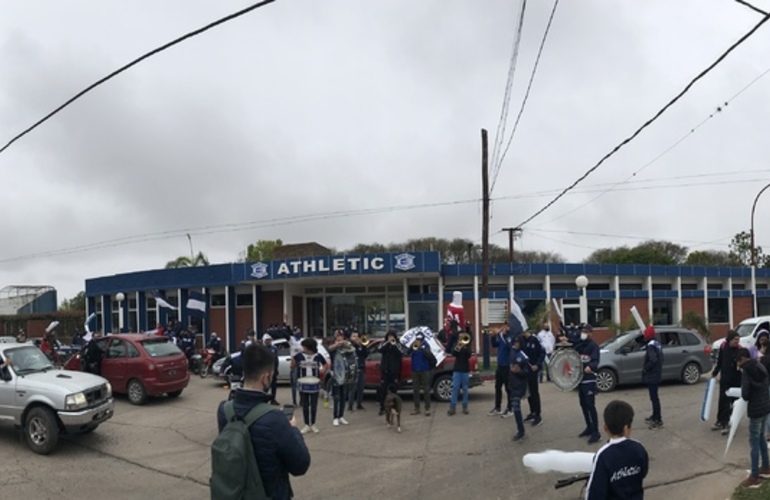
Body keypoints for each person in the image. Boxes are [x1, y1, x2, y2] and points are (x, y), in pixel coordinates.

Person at [216, 343, 310, 499]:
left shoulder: (224, 410)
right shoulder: (275, 419)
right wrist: (292, 429)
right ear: (266, 378)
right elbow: (300, 465)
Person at [585, 400, 648, 499]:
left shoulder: (603, 455)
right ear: (627, 428)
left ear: (605, 427)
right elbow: (643, 472)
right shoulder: (639, 448)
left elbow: (595, 492)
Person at [734, 347, 770, 488]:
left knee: (754, 441)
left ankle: (754, 476)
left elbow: (746, 394)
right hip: (766, 407)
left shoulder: (747, 371)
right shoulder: (760, 365)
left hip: (755, 409)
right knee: (761, 437)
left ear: (742, 359)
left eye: (738, 361)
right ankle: (766, 467)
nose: (739, 364)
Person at [291, 337, 328, 434]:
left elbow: (325, 364)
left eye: (304, 346)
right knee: (305, 404)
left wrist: (323, 370)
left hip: (314, 382)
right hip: (303, 382)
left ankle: (313, 424)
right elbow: (292, 366)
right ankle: (307, 424)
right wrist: (293, 360)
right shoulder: (299, 356)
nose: (303, 348)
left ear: (309, 347)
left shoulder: (318, 356)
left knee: (314, 404)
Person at [712, 330, 742, 434]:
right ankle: (721, 421)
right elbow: (720, 361)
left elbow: (742, 364)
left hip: (736, 381)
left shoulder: (740, 349)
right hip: (725, 379)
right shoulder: (723, 347)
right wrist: (715, 372)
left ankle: (730, 423)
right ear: (730, 339)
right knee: (723, 402)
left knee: (734, 403)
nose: (737, 342)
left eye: (738, 340)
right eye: (735, 340)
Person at [576, 323, 602, 444]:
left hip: (589, 379)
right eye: (582, 331)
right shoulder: (579, 345)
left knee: (590, 405)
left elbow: (596, 361)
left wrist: (590, 367)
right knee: (583, 404)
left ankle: (596, 432)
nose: (584, 333)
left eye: (586, 331)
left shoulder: (594, 346)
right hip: (580, 380)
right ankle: (589, 427)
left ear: (591, 333)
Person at [488, 322, 514, 417]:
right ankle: (497, 407)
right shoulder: (501, 337)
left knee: (508, 388)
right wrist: (493, 337)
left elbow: (509, 346)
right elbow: (495, 344)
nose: (505, 328)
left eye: (507, 326)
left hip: (507, 366)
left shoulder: (509, 337)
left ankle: (510, 408)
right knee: (497, 387)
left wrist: (501, 334)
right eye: (504, 326)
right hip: (500, 366)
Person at [521, 329, 545, 426]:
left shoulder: (534, 340)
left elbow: (542, 353)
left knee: (534, 392)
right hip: (525, 370)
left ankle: (538, 415)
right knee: (529, 392)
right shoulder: (522, 341)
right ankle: (532, 412)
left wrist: (537, 365)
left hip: (533, 369)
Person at [642, 325, 664, 429]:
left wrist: (646, 368)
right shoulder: (657, 343)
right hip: (657, 373)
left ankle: (658, 419)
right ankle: (655, 415)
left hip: (652, 375)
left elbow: (653, 359)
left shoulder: (650, 346)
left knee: (654, 398)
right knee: (654, 397)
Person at [328, 331, 351, 426]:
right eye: (337, 336)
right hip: (336, 373)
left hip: (344, 373)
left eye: (341, 336)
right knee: (336, 396)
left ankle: (341, 416)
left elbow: (351, 349)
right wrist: (337, 344)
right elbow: (330, 349)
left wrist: (346, 344)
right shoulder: (333, 346)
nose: (339, 338)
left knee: (343, 395)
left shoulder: (345, 346)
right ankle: (335, 417)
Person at [509, 336, 530, 442]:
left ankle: (521, 431)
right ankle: (520, 429)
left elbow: (527, 372)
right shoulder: (512, 351)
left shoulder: (524, 357)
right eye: (515, 342)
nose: (515, 344)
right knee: (514, 407)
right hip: (512, 384)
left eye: (518, 342)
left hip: (520, 385)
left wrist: (519, 372)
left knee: (516, 407)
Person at [377, 331, 403, 416]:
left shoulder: (398, 345)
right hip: (385, 371)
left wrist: (394, 344)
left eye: (392, 336)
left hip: (394, 372)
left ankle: (394, 407)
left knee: (394, 390)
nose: (391, 338)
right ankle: (382, 408)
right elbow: (380, 350)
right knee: (383, 390)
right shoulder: (384, 344)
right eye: (389, 336)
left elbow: (400, 353)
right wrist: (388, 343)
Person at [409, 332, 434, 416]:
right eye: (417, 339)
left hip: (424, 370)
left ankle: (427, 408)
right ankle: (416, 408)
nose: (418, 341)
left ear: (423, 339)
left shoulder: (426, 345)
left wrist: (421, 348)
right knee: (415, 390)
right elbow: (407, 352)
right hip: (415, 370)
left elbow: (429, 356)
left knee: (426, 390)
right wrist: (412, 347)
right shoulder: (413, 345)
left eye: (420, 339)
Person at [448, 330, 472, 416]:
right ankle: (452, 407)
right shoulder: (456, 345)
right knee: (455, 388)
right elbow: (454, 353)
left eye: (463, 337)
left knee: (465, 389)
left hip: (465, 370)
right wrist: (459, 345)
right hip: (457, 369)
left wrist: (465, 346)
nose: (462, 339)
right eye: (460, 337)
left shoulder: (467, 346)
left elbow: (469, 355)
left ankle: (465, 406)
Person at [348, 331, 368, 412]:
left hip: (362, 367)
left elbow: (365, 355)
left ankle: (359, 404)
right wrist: (356, 345)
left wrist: (362, 346)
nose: (356, 338)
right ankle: (350, 406)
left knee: (361, 387)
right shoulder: (350, 346)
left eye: (357, 336)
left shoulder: (362, 346)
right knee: (353, 388)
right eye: (354, 336)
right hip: (353, 368)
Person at [289, 327, 304, 406]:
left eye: (299, 331)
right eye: (297, 331)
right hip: (294, 363)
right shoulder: (291, 339)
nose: (298, 332)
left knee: (301, 382)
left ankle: (302, 400)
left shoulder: (302, 340)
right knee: (294, 384)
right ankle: (294, 401)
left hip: (301, 362)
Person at [263, 334, 280, 405]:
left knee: (273, 386)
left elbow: (276, 359)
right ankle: (264, 399)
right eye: (266, 340)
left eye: (269, 340)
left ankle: (273, 399)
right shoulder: (262, 349)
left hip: (273, 370)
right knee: (264, 385)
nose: (268, 341)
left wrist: (276, 369)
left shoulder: (274, 348)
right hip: (264, 370)